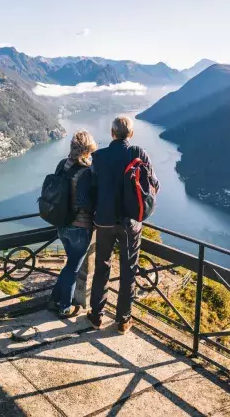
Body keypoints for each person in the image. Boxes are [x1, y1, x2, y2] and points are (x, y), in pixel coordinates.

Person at [87, 115, 159, 334]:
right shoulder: (138, 153)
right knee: (129, 271)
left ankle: (96, 316)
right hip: (130, 223)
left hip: (104, 222)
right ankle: (123, 320)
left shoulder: (98, 157)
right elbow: (153, 184)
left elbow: (92, 188)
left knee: (102, 267)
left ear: (112, 133)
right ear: (131, 134)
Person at [50, 130, 97, 318]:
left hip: (62, 226)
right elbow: (89, 201)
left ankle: (54, 299)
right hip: (80, 227)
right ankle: (64, 306)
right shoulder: (87, 171)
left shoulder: (62, 165)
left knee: (70, 264)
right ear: (86, 150)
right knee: (72, 268)